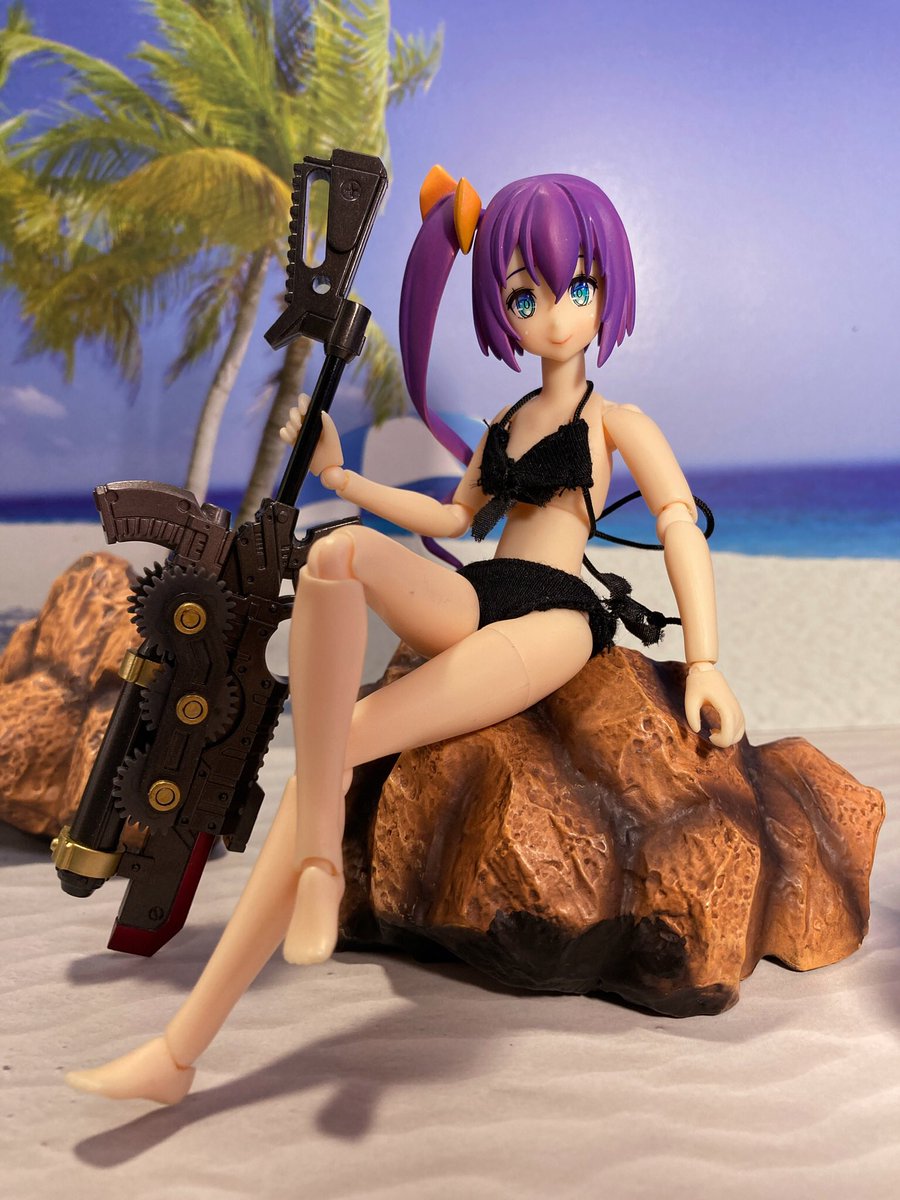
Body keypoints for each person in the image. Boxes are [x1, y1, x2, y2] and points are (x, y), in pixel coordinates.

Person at [65, 166, 744, 1104]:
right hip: (482, 590)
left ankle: (182, 1048)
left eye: (577, 288)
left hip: (554, 618)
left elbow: (677, 525)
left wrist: (705, 662)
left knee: (333, 750)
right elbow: (456, 520)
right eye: (525, 297)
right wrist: (343, 483)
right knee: (339, 553)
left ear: (606, 290)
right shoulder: (508, 420)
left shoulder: (617, 422)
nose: (554, 316)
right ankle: (307, 876)